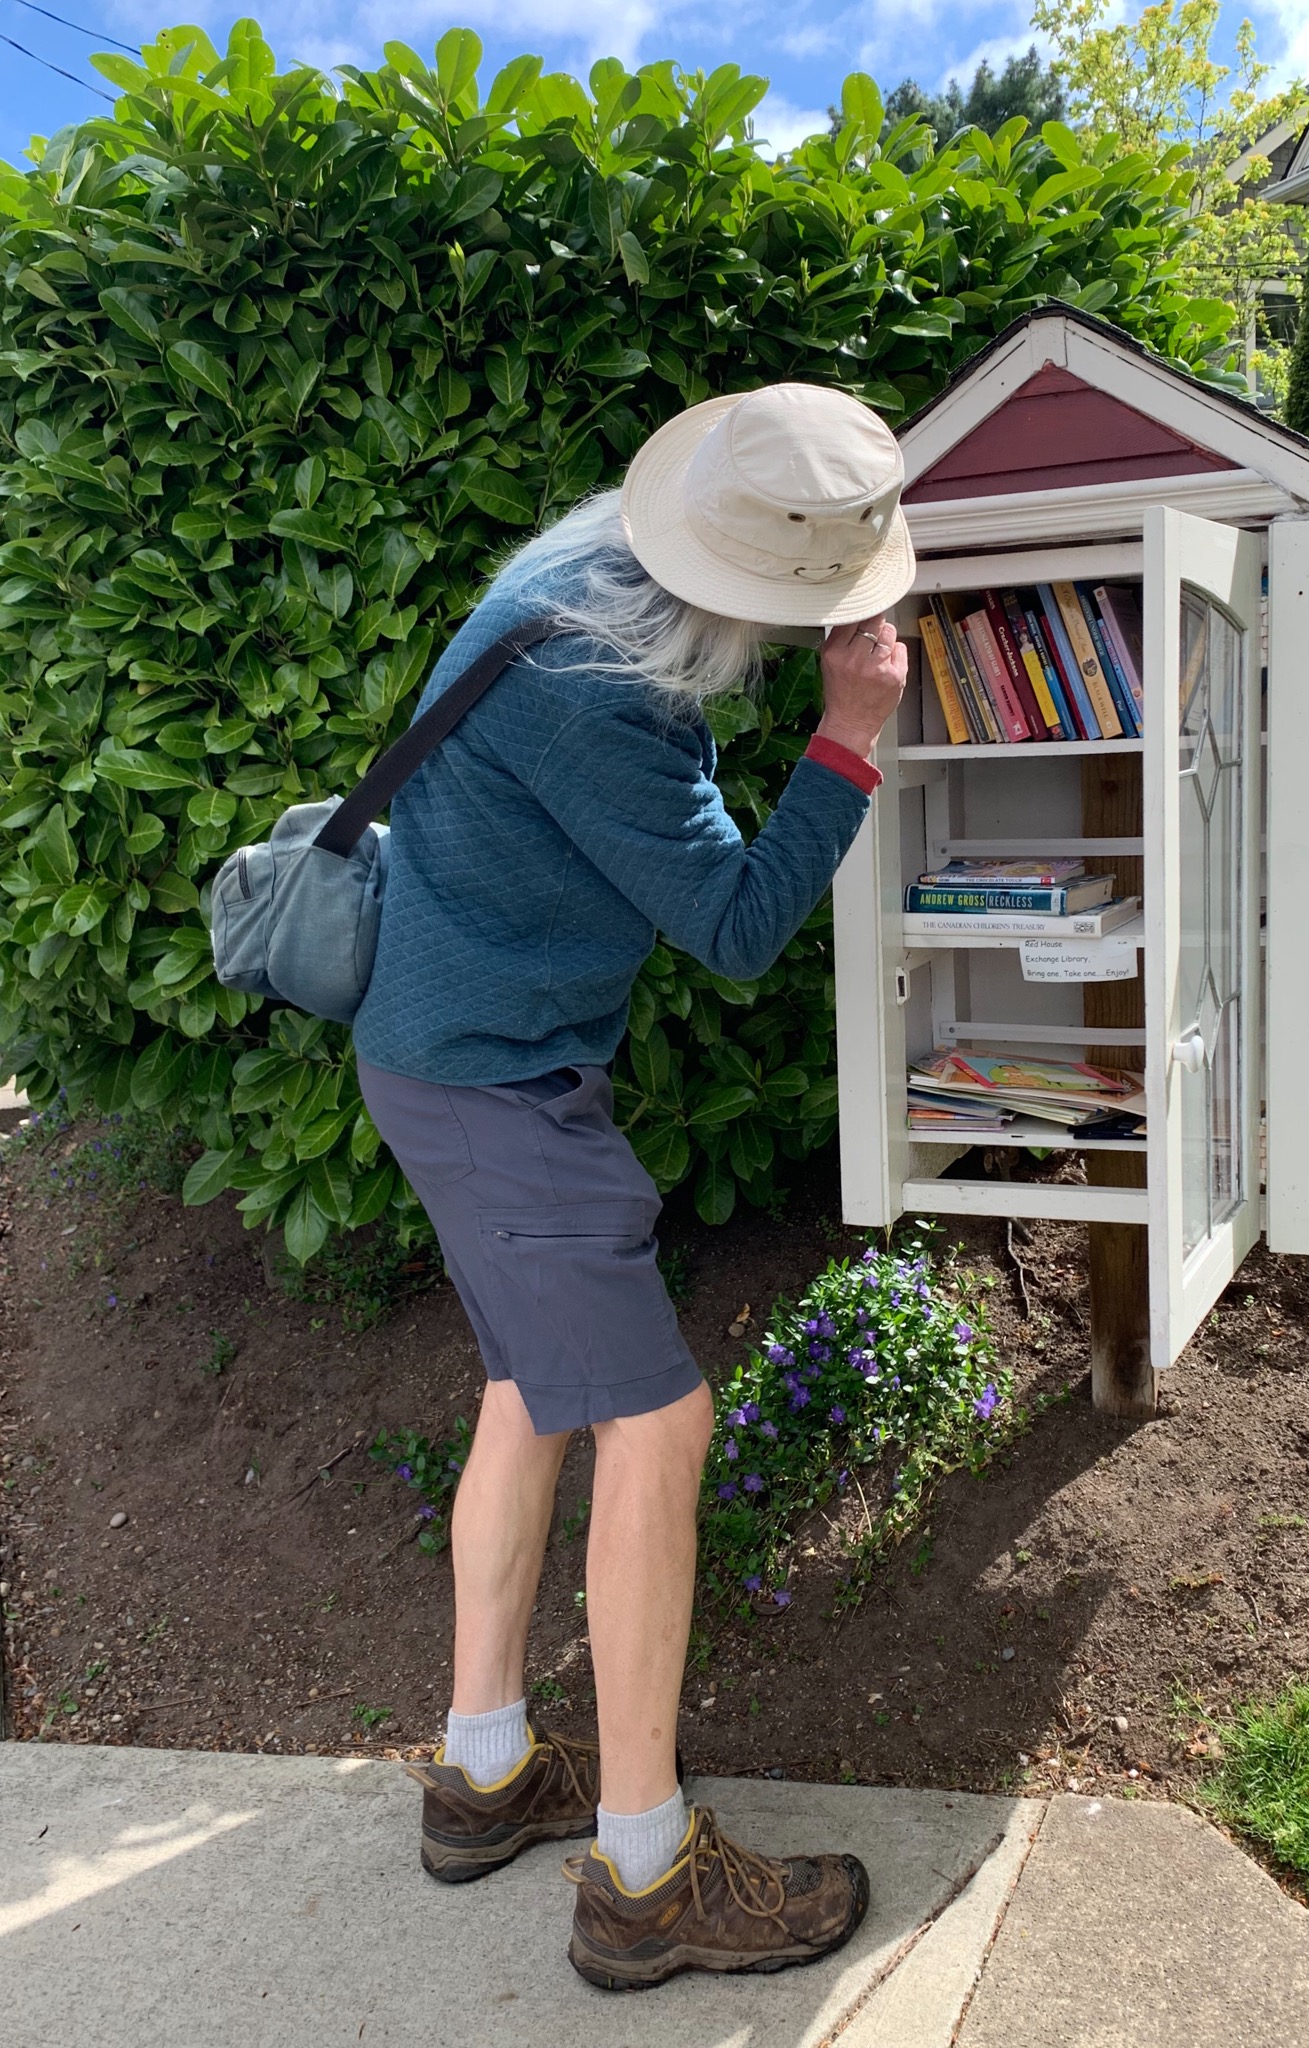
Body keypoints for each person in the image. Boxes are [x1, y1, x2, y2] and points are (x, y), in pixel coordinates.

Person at [351, 381, 913, 1990]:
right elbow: (735, 930)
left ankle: (483, 1776)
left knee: (530, 1390)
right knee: (656, 1423)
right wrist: (847, 740)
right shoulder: (600, 686)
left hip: (449, 1061)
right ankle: (648, 1877)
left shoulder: (568, 583)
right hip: (494, 1088)